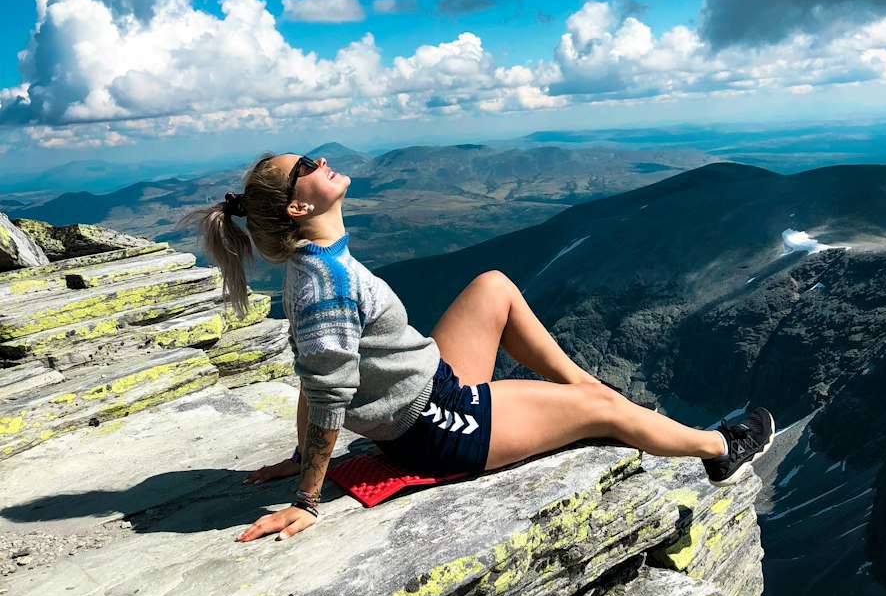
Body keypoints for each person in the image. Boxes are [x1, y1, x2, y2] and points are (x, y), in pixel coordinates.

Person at [189, 152, 775, 546]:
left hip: (431, 384)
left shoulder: (322, 262)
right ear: (299, 208)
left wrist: (297, 454)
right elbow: (324, 390)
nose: (323, 160)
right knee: (608, 417)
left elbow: (314, 374)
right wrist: (307, 497)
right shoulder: (327, 285)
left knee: (493, 286)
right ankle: (720, 448)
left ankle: (584, 389)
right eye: (309, 166)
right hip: (437, 426)